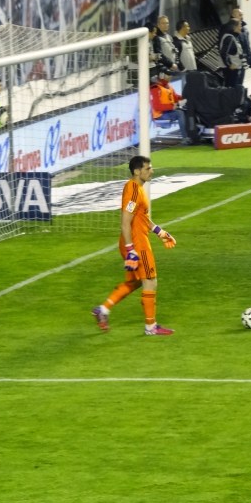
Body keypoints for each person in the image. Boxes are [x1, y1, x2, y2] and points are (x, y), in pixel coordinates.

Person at [92, 155, 176, 336]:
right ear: (137, 171)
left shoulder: (137, 189)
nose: (151, 171)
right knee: (150, 281)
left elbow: (142, 218)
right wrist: (131, 250)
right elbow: (125, 221)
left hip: (131, 242)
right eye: (148, 168)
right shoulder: (134, 191)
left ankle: (103, 309)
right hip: (137, 245)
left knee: (136, 281)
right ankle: (150, 327)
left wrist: (160, 232)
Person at [149, 69, 190, 145]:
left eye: (170, 75)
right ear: (162, 75)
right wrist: (172, 107)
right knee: (180, 113)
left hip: (169, 111)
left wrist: (186, 98)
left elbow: (176, 97)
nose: (170, 77)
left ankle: (191, 134)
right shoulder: (155, 88)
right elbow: (157, 106)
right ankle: (185, 138)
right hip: (160, 115)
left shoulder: (168, 86)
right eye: (168, 75)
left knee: (187, 110)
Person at [219, 19, 246, 87]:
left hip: (234, 70)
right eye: (240, 26)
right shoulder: (229, 38)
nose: (241, 28)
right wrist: (230, 64)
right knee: (231, 90)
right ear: (234, 27)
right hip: (231, 72)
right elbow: (223, 53)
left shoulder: (233, 37)